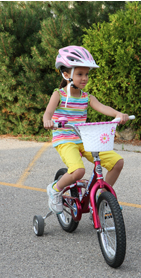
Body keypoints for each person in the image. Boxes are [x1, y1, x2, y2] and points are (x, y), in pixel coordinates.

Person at [43, 45, 129, 214]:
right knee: (78, 171)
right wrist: (47, 121)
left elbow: (103, 107)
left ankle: (103, 199)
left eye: (87, 74)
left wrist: (118, 114)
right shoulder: (58, 95)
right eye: (80, 74)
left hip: (84, 139)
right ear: (66, 74)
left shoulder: (86, 97)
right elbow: (48, 113)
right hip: (65, 139)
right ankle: (54, 188)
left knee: (117, 162)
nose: (84, 78)